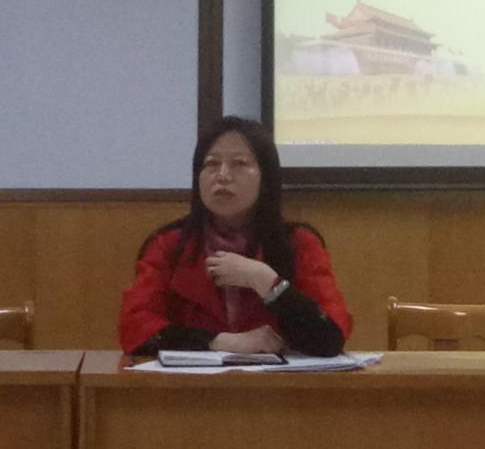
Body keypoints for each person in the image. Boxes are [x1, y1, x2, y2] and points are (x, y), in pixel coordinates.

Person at [119, 116, 352, 357]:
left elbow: (330, 338)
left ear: (265, 178)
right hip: (191, 381)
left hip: (280, 381)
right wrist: (222, 342)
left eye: (239, 163)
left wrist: (266, 281)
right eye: (211, 163)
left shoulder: (299, 243)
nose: (222, 175)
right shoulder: (169, 244)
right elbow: (134, 329)